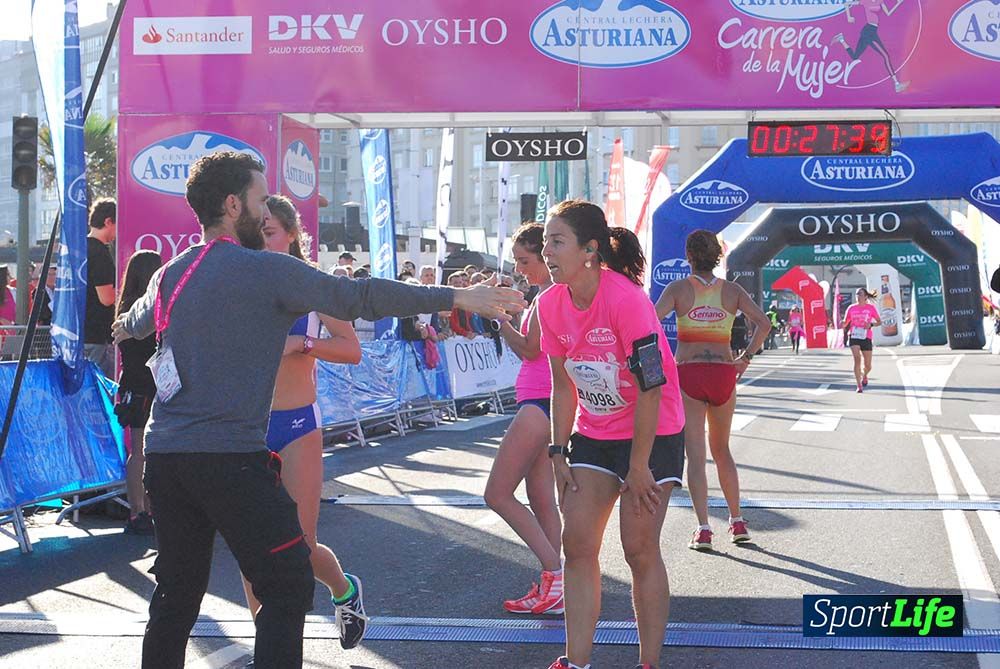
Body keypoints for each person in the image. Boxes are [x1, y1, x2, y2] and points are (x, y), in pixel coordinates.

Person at [112, 151, 525, 669]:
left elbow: (136, 319)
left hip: (167, 458)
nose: (266, 214)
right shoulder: (264, 271)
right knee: (286, 581)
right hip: (228, 458)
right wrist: (458, 298)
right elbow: (360, 296)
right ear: (232, 203)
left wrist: (124, 326)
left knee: (177, 596)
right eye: (261, 201)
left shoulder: (173, 273)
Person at [537, 200, 685, 669]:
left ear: (589, 250)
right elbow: (563, 384)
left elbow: (651, 387)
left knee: (638, 549)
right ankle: (576, 662)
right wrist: (558, 449)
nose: (547, 252)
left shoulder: (626, 301)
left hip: (653, 430)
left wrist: (639, 467)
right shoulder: (550, 305)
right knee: (577, 542)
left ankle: (648, 663)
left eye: (556, 242)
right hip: (597, 432)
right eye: (544, 243)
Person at [241, 194, 367, 652]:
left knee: (299, 544)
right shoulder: (243, 283)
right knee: (252, 546)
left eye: (270, 231)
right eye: (257, 231)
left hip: (297, 425)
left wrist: (304, 345)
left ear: (292, 234)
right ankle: (268, 648)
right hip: (247, 427)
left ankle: (344, 590)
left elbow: (351, 349)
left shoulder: (312, 286)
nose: (261, 239)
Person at [655, 230, 771, 553]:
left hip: (689, 372)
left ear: (689, 256)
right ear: (718, 256)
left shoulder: (677, 289)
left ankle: (704, 529)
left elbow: (648, 323)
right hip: (723, 371)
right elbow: (764, 323)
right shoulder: (732, 291)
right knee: (722, 451)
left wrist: (666, 360)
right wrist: (745, 358)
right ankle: (737, 522)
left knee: (696, 456)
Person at [485, 223, 563, 616]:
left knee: (496, 493)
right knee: (540, 498)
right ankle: (553, 584)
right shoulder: (548, 294)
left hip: (538, 403)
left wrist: (501, 322)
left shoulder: (548, 295)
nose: (521, 269)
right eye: (518, 261)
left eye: (525, 260)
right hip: (543, 401)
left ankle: (555, 574)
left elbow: (530, 350)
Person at [114, 250, 163, 536]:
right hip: (151, 385)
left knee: (138, 450)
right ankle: (142, 509)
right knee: (147, 451)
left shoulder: (125, 310)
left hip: (133, 384)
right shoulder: (151, 311)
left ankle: (139, 510)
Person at [832, 0, 909, 93]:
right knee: (886, 56)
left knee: (855, 56)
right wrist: (849, 17)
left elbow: (888, 13)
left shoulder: (880, 1)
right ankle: (897, 84)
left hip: (871, 31)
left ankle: (841, 39)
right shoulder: (865, 1)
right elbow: (847, 3)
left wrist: (898, 3)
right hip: (869, 32)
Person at [85, 198, 117, 377]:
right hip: (98, 335)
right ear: (108, 221)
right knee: (101, 391)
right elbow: (106, 298)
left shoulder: (82, 247)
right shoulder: (100, 252)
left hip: (80, 331)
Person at [842, 287, 882, 393]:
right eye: (856, 294)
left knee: (868, 365)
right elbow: (846, 322)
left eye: (860, 294)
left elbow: (879, 321)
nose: (857, 296)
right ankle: (859, 385)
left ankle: (864, 375)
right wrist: (843, 323)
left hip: (866, 337)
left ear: (865, 296)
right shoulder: (851, 308)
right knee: (857, 359)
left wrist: (871, 324)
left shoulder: (871, 308)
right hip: (854, 335)